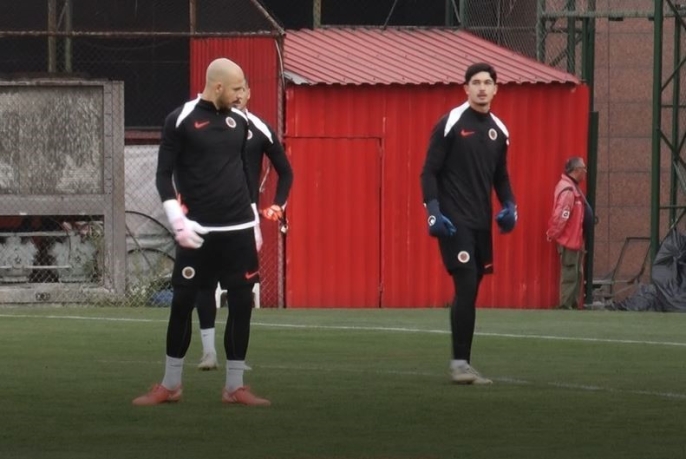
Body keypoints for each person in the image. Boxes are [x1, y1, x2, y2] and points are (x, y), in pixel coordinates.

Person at [132, 58, 270, 406]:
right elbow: (163, 175)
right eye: (236, 89)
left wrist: (253, 220)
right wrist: (176, 218)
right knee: (182, 303)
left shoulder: (241, 121)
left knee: (242, 303)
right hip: (198, 232)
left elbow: (245, 174)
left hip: (238, 230)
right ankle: (170, 384)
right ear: (218, 87)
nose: (241, 96)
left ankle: (235, 387)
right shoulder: (180, 119)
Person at [420, 62, 517, 385]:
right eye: (475, 82)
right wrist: (433, 210)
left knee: (472, 289)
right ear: (465, 88)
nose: (481, 88)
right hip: (453, 220)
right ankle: (460, 365)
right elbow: (429, 171)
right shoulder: (450, 123)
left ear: (495, 89)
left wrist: (510, 205)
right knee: (465, 283)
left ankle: (463, 363)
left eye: (487, 82)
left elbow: (501, 177)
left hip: (481, 222)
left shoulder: (499, 131)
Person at [195, 78, 294, 370]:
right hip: (207, 213)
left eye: (242, 90)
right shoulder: (205, 125)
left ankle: (235, 360)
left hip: (244, 218)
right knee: (206, 282)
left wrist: (278, 204)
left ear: (249, 93)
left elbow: (286, 172)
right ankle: (208, 352)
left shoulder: (259, 128)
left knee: (241, 289)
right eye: (232, 89)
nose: (237, 95)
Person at [546, 157, 592, 310]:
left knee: (576, 274)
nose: (585, 171)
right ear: (576, 170)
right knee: (570, 274)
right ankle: (565, 306)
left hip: (575, 240)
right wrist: (553, 233)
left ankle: (572, 304)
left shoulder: (572, 187)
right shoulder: (568, 190)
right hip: (569, 240)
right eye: (583, 168)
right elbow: (562, 216)